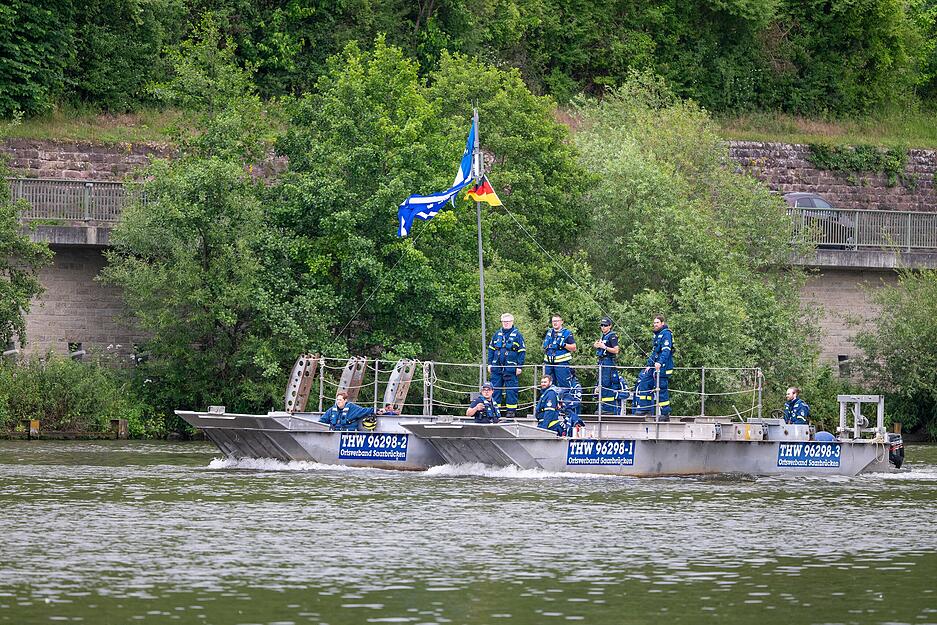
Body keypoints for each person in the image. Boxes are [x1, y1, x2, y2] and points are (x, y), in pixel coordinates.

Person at [487, 312, 526, 419]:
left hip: (511, 368)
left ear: (512, 322)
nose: (506, 323)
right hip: (497, 367)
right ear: (501, 322)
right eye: (504, 322)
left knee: (511, 390)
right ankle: (495, 409)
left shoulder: (518, 335)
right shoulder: (496, 334)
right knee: (495, 389)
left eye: (508, 322)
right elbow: (490, 350)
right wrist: (489, 364)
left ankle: (511, 411)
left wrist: (519, 366)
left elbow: (522, 352)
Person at [644, 314, 674, 420]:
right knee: (645, 381)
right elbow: (654, 352)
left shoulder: (666, 334)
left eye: (657, 322)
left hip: (663, 367)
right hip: (655, 367)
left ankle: (665, 413)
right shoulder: (657, 335)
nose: (655, 324)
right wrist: (649, 364)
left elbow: (666, 351)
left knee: (662, 389)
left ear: (662, 323)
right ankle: (645, 409)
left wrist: (660, 363)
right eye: (654, 322)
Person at [542, 314, 577, 391]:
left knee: (564, 386)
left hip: (561, 364)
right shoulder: (549, 332)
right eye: (553, 321)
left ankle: (566, 402)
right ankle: (549, 401)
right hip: (548, 364)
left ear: (561, 322)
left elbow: (574, 348)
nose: (555, 323)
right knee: (547, 386)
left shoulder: (567, 333)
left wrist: (563, 344)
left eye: (557, 321)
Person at [593, 316, 620, 413]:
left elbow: (616, 350)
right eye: (602, 325)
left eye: (605, 325)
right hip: (601, 362)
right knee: (600, 384)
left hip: (608, 362)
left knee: (606, 384)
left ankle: (607, 408)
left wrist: (604, 347)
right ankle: (601, 406)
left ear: (610, 326)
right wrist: (597, 346)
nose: (603, 327)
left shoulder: (612, 336)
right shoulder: (603, 336)